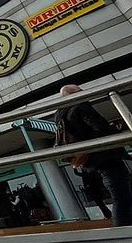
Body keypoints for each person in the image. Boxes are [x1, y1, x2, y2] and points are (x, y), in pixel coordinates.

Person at [54, 84, 132, 226]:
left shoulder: (59, 114)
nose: (85, 92)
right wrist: (116, 131)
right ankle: (124, 231)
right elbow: (100, 127)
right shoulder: (80, 105)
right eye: (81, 90)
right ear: (75, 93)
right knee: (122, 196)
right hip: (105, 155)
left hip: (87, 160)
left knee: (119, 195)